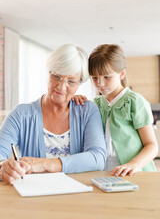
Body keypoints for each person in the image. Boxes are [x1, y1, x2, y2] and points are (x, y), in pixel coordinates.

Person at [0, 44, 106, 184]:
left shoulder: (88, 111)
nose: (61, 87)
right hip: (34, 196)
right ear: (48, 72)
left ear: (80, 82)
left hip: (78, 195)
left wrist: (44, 164)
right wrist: (4, 168)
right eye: (56, 76)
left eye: (71, 81)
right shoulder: (20, 115)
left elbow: (97, 158)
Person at [73, 44, 158, 176]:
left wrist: (133, 164)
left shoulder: (134, 101)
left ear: (122, 74)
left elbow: (152, 146)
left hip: (134, 172)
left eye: (106, 77)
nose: (100, 84)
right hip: (104, 171)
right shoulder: (95, 104)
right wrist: (75, 101)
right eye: (94, 78)